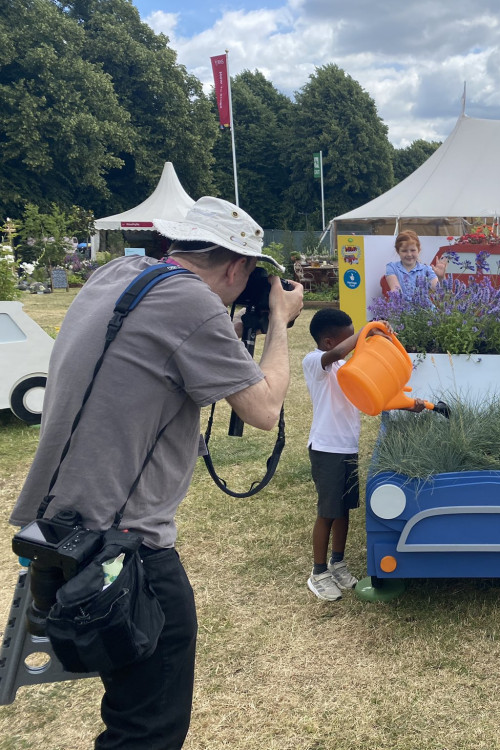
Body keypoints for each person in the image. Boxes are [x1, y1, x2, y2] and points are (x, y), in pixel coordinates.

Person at [9, 196, 304, 749]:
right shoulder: (194, 306)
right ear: (239, 267)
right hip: (122, 549)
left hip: (55, 527)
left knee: (130, 705)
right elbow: (263, 411)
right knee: (147, 730)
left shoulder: (116, 274)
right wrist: (281, 324)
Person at [302, 310, 423, 601]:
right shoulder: (315, 363)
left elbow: (377, 395)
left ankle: (338, 563)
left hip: (347, 448)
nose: (357, 343)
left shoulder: (347, 365)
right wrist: (370, 330)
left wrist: (412, 405)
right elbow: (343, 349)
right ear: (329, 341)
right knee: (327, 513)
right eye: (350, 336)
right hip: (326, 448)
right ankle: (318, 573)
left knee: (344, 511)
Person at [384, 229, 446, 296]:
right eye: (404, 251)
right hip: (402, 305)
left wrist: (441, 278)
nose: (409, 254)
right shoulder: (392, 267)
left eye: (413, 250)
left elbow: (438, 289)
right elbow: (396, 291)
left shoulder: (426, 269)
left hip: (423, 306)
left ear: (418, 250)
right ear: (398, 251)